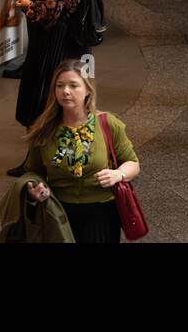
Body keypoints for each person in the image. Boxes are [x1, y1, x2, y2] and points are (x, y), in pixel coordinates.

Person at [11, 0, 95, 173]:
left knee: (39, 101)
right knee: (65, 103)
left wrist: (28, 6)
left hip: (50, 44)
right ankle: (63, 159)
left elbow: (50, 11)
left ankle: (36, 162)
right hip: (73, 43)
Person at [22, 62, 139, 243]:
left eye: (73, 85)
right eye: (60, 86)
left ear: (88, 90)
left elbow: (133, 163)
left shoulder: (108, 123)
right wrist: (34, 188)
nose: (65, 91)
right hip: (59, 212)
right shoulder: (44, 130)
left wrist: (119, 174)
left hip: (102, 212)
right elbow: (32, 171)